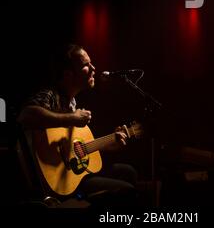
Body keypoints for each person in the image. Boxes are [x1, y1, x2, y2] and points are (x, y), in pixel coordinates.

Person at [17, 43, 138, 207]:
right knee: (126, 190)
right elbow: (26, 115)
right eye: (86, 65)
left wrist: (108, 144)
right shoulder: (51, 95)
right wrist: (71, 118)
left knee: (127, 172)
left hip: (74, 175)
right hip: (57, 183)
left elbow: (77, 151)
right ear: (68, 74)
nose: (94, 68)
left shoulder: (72, 102)